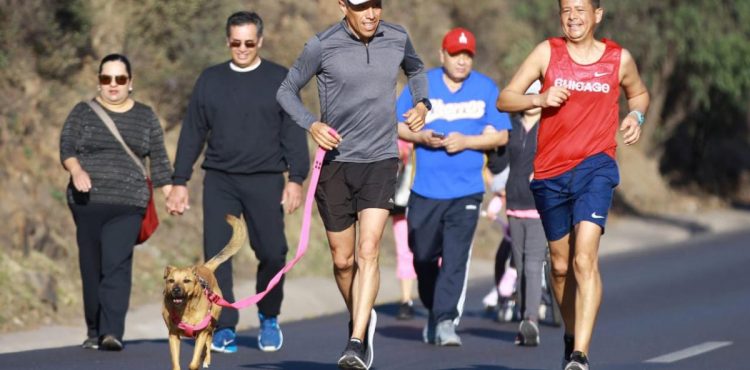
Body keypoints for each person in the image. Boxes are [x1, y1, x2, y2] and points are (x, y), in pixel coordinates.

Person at [496, 0, 649, 368]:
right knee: (561, 267)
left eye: (580, 9)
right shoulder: (547, 53)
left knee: (584, 258)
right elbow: (504, 98)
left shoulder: (618, 59)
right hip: (549, 173)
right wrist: (540, 97)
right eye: (566, 9)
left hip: (595, 167)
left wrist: (636, 115)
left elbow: (638, 93)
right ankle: (570, 333)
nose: (573, 16)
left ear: (598, 14)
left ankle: (580, 354)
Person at [276, 0, 429, 367]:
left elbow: (417, 68)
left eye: (376, 5)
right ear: (343, 6)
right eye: (362, 7)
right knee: (343, 262)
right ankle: (361, 314)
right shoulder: (321, 44)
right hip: (335, 165)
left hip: (380, 159)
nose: (371, 14)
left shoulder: (396, 36)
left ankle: (357, 340)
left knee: (368, 250)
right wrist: (311, 124)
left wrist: (422, 102)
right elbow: (286, 90)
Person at [166, 11, 309, 354]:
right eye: (235, 42)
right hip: (220, 179)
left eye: (249, 42)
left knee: (274, 253)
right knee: (216, 259)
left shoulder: (280, 78)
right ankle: (223, 325)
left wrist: (296, 179)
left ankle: (269, 316)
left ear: (259, 40)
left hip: (265, 179)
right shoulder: (210, 80)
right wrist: (180, 180)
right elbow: (192, 133)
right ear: (227, 40)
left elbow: (293, 130)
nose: (242, 48)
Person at [396, 27, 511, 347]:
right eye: (456, 54)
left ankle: (446, 321)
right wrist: (421, 137)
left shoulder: (486, 88)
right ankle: (435, 311)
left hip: (467, 189)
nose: (462, 61)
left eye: (467, 55)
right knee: (422, 256)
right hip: (425, 189)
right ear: (442, 55)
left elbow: (502, 135)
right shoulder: (423, 85)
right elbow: (397, 123)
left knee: (456, 256)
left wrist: (468, 141)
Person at [60, 53, 173, 351]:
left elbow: (159, 159)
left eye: (120, 79)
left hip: (128, 203)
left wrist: (170, 193)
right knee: (91, 267)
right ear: (98, 82)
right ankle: (93, 329)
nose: (112, 85)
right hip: (87, 203)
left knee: (116, 265)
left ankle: (111, 332)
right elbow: (67, 146)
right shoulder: (83, 112)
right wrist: (76, 170)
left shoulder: (145, 116)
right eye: (106, 79)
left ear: (130, 83)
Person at [504, 80, 547, 346]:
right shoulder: (510, 127)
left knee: (533, 264)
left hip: (541, 206)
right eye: (527, 94)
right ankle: (524, 321)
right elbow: (498, 161)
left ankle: (531, 319)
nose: (532, 99)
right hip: (513, 204)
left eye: (537, 93)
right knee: (519, 267)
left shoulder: (551, 126)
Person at [392, 139, 417, 320]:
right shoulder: (398, 127)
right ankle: (406, 300)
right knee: (404, 250)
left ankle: (436, 296)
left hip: (428, 198)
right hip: (402, 200)